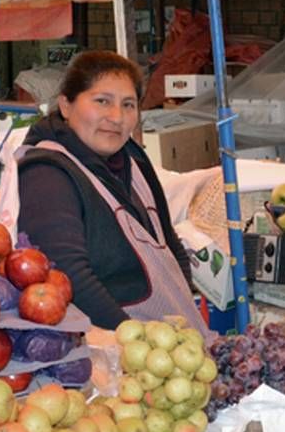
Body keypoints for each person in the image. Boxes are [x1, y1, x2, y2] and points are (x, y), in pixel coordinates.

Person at [16, 50, 209, 335]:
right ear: (66, 105)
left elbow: (168, 242)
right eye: (102, 101)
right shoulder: (48, 173)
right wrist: (133, 340)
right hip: (105, 348)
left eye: (128, 105)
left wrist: (178, 320)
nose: (117, 117)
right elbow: (69, 276)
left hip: (167, 344)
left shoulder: (134, 162)